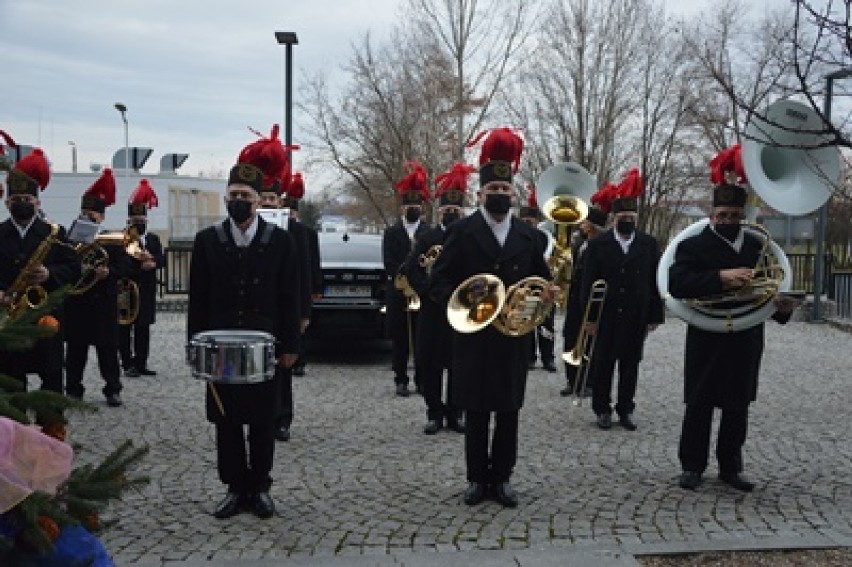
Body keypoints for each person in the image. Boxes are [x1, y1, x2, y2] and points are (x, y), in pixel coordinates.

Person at [429, 128, 553, 508]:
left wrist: (549, 293)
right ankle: (476, 479)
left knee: (509, 410)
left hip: (513, 337)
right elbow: (438, 281)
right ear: (479, 193)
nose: (500, 194)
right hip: (475, 336)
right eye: (492, 189)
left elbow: (541, 280)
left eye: (505, 188)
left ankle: (502, 478)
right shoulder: (463, 231)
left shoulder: (528, 236)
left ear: (513, 193)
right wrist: (466, 304)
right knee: (477, 410)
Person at [187, 130, 301, 520]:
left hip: (265, 343)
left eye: (245, 197)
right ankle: (235, 487)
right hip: (219, 344)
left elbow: (290, 294)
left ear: (259, 201)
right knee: (227, 419)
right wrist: (194, 346)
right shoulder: (207, 240)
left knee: (263, 418)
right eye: (233, 196)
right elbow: (197, 297)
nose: (239, 202)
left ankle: (261, 487)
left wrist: (291, 346)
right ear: (226, 198)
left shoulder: (281, 241)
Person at [668, 181, 800, 492]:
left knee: (737, 404)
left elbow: (771, 288)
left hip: (746, 334)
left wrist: (783, 308)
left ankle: (731, 466)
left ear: (742, 216)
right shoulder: (692, 246)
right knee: (699, 402)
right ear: (711, 215)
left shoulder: (759, 247)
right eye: (723, 215)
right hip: (706, 334)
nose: (728, 221)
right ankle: (692, 466)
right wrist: (720, 277)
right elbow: (678, 284)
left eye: (734, 216)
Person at [580, 169, 664, 431]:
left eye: (631, 217)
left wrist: (654, 315)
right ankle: (602, 408)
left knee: (630, 365)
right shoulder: (598, 245)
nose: (627, 220)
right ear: (614, 218)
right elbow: (587, 284)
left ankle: (626, 409)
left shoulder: (649, 244)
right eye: (622, 217)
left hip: (635, 313)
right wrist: (590, 319)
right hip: (605, 314)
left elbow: (655, 281)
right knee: (603, 363)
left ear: (636, 218)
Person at [0, 147, 80, 393]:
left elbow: (74, 268)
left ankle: (51, 430)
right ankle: (16, 431)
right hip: (9, 318)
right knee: (12, 380)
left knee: (52, 378)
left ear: (38, 202)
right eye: (16, 200)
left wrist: (49, 274)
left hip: (48, 318)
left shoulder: (54, 233)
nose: (22, 204)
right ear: (6, 202)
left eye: (27, 200)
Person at [403, 162, 473, 435]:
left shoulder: (469, 237)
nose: (451, 214)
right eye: (446, 210)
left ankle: (457, 414)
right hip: (433, 310)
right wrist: (428, 291)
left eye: (455, 210)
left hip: (461, 310)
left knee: (460, 365)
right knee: (430, 364)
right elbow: (411, 268)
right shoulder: (427, 237)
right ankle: (434, 412)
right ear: (439, 212)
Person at [63, 169, 133, 407]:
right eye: (85, 213)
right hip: (78, 302)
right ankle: (73, 388)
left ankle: (113, 389)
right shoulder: (69, 239)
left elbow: (125, 266)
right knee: (75, 351)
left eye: (93, 214)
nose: (88, 217)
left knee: (108, 351)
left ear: (101, 218)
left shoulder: (111, 240)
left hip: (103, 302)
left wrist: (109, 272)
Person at [259, 169, 311, 443]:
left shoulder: (296, 231)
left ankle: (282, 418)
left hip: (284, 309)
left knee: (283, 367)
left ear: (280, 201)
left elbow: (302, 273)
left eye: (272, 197)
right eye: (263, 197)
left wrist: (303, 312)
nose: (268, 202)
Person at [382, 161, 430, 397]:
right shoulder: (392, 232)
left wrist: (419, 284)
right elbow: (388, 262)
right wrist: (404, 279)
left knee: (422, 337)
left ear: (422, 207)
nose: (413, 208)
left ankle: (422, 379)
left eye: (417, 204)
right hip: (399, 291)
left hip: (421, 292)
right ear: (403, 207)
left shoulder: (427, 232)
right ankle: (400, 378)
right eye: (409, 204)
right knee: (400, 338)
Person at [560, 204, 608, 396]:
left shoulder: (602, 247)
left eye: (585, 221)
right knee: (570, 338)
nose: (582, 224)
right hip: (574, 300)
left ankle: (587, 381)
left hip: (589, 301)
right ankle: (572, 380)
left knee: (588, 343)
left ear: (593, 225)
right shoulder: (579, 243)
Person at [118, 180, 165, 378]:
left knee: (143, 327)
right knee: (125, 327)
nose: (139, 223)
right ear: (129, 221)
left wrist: (153, 262)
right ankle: (127, 363)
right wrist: (139, 267)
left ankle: (141, 362)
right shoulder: (122, 238)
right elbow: (120, 264)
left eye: (142, 219)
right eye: (135, 220)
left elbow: (162, 258)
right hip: (127, 288)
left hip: (146, 289)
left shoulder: (153, 239)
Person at [280, 172, 321, 378]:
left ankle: (300, 359)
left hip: (301, 283)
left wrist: (316, 288)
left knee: (300, 324)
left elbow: (312, 262)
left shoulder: (307, 233)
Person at [518, 186, 556, 372]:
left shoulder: (544, 237)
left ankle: (548, 358)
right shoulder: (516, 236)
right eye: (524, 219)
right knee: (526, 322)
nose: (528, 222)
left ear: (537, 221)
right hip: (524, 286)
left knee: (546, 323)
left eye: (531, 220)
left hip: (544, 284)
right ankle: (528, 357)